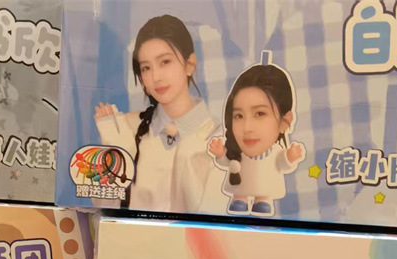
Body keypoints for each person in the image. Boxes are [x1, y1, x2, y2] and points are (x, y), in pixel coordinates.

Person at [93, 15, 223, 213]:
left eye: (165, 62)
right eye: (146, 68)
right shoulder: (125, 127)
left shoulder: (218, 137)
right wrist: (117, 155)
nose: (156, 77)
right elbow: (103, 209)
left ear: (189, 64)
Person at [209, 55, 305, 216]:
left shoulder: (275, 153)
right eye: (239, 116)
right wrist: (220, 154)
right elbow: (227, 161)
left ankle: (262, 201)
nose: (247, 128)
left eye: (260, 114)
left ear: (285, 121)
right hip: (239, 190)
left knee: (263, 198)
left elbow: (282, 164)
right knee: (240, 194)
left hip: (266, 189)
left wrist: (289, 157)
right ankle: (239, 200)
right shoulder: (236, 151)